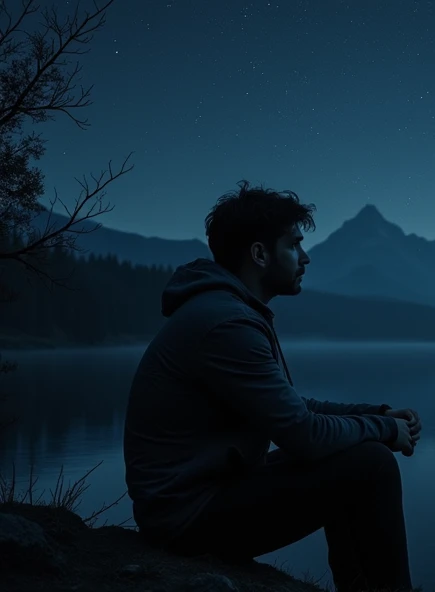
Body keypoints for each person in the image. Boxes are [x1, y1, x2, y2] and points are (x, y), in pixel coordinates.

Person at [122, 181, 419, 592]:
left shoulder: (229, 310)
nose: (306, 257)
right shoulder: (226, 324)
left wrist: (374, 414)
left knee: (355, 452)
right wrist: (385, 431)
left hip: (202, 495)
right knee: (370, 464)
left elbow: (292, 406)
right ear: (260, 254)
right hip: (186, 518)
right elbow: (305, 435)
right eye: (294, 245)